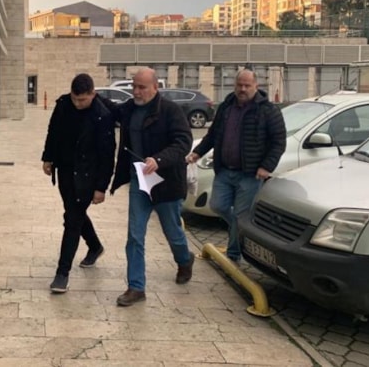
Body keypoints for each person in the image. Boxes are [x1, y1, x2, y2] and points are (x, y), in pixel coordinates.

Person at [109, 68, 195, 307]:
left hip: (166, 182)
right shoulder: (129, 108)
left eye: (142, 87)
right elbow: (108, 109)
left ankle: (184, 259)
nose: (136, 92)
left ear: (155, 87)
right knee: (135, 234)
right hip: (139, 180)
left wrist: (159, 159)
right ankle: (136, 287)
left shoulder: (171, 111)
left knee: (172, 231)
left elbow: (183, 142)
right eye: (134, 86)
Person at [186, 69, 286, 262]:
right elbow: (213, 135)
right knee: (217, 206)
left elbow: (278, 142)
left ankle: (233, 256)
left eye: (247, 85)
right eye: (239, 85)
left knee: (240, 215)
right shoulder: (226, 107)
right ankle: (241, 226)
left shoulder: (268, 111)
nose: (243, 89)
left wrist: (267, 166)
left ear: (256, 85)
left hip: (250, 174)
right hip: (224, 171)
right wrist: (197, 153)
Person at [41, 73, 116, 293]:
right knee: (73, 212)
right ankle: (95, 246)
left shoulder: (102, 115)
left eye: (82, 100)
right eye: (75, 98)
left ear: (93, 94)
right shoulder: (63, 105)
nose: (78, 103)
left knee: (72, 219)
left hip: (87, 175)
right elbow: (53, 131)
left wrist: (101, 187)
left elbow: (107, 154)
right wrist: (48, 157)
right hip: (65, 170)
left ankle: (62, 274)